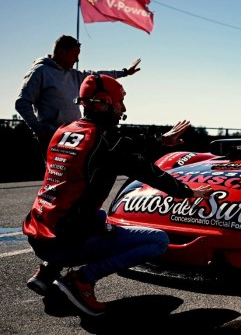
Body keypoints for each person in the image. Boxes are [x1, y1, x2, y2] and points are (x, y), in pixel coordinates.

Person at [23, 74, 214, 316]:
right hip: (66, 242)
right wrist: (189, 192)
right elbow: (150, 172)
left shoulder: (63, 131)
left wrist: (160, 141)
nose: (123, 108)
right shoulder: (108, 141)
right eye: (120, 101)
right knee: (157, 241)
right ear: (103, 102)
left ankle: (47, 272)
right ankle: (81, 280)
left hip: (39, 234)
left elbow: (123, 150)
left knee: (95, 215)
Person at [15, 35, 142, 156]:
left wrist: (125, 72)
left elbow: (98, 77)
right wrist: (39, 131)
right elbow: (22, 103)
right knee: (56, 173)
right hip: (51, 137)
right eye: (75, 55)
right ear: (61, 51)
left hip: (73, 137)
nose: (77, 60)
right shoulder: (40, 72)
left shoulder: (74, 75)